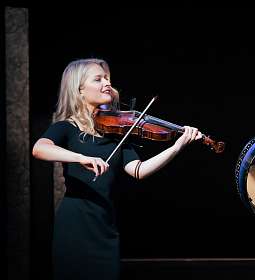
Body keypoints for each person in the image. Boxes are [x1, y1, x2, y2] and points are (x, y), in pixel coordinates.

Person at [32, 58, 202, 280]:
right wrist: (80, 157)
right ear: (79, 89)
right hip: (74, 225)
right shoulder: (66, 127)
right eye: (98, 79)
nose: (107, 84)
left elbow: (138, 170)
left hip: (105, 228)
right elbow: (39, 148)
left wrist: (177, 146)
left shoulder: (117, 132)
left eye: (108, 79)